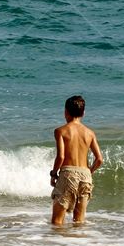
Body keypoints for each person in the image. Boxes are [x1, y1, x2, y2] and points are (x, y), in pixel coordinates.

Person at [50, 95, 103, 226]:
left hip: (68, 173)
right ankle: (78, 245)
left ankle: (57, 245)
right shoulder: (90, 133)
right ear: (83, 113)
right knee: (79, 221)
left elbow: (61, 157)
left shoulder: (60, 131)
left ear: (65, 112)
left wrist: (54, 173)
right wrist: (89, 172)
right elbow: (99, 159)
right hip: (85, 175)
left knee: (57, 221)